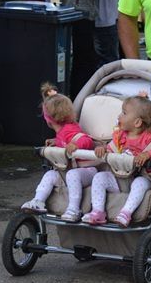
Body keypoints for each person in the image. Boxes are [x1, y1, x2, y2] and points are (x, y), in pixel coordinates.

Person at [82, 95, 151, 227]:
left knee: (140, 183)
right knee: (100, 177)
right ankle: (98, 211)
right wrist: (103, 149)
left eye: (124, 113)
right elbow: (110, 148)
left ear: (137, 123)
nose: (119, 116)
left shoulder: (148, 139)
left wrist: (148, 154)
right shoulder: (120, 137)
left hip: (140, 177)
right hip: (119, 179)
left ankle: (126, 213)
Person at [21, 84, 96, 221]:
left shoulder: (69, 129)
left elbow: (87, 141)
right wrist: (56, 141)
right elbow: (65, 140)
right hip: (70, 171)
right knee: (50, 174)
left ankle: (74, 209)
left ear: (48, 118)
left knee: (72, 175)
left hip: (86, 171)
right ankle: (38, 200)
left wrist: (76, 145)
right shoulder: (62, 132)